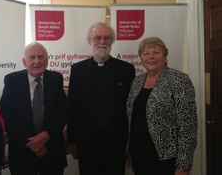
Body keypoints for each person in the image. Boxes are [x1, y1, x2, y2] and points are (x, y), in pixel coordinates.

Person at [67, 22, 136, 175]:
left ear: (112, 41)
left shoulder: (126, 70)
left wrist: (130, 145)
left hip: (116, 144)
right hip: (86, 144)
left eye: (107, 38)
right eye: (97, 38)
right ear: (89, 41)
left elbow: (131, 110)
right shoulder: (78, 70)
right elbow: (73, 107)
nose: (102, 42)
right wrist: (72, 141)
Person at [125, 36, 198, 175]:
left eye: (156, 52)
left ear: (165, 56)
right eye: (146, 53)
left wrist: (183, 165)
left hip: (167, 157)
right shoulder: (137, 81)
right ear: (141, 58)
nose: (151, 57)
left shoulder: (179, 80)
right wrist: (129, 152)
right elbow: (132, 121)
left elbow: (188, 126)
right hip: (139, 154)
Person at [0, 42, 68, 175]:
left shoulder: (56, 79)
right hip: (23, 152)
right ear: (24, 62)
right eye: (32, 57)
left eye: (41, 57)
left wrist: (46, 135)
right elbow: (6, 115)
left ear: (47, 60)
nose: (37, 61)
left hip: (52, 151)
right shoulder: (12, 80)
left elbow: (63, 111)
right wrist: (33, 143)